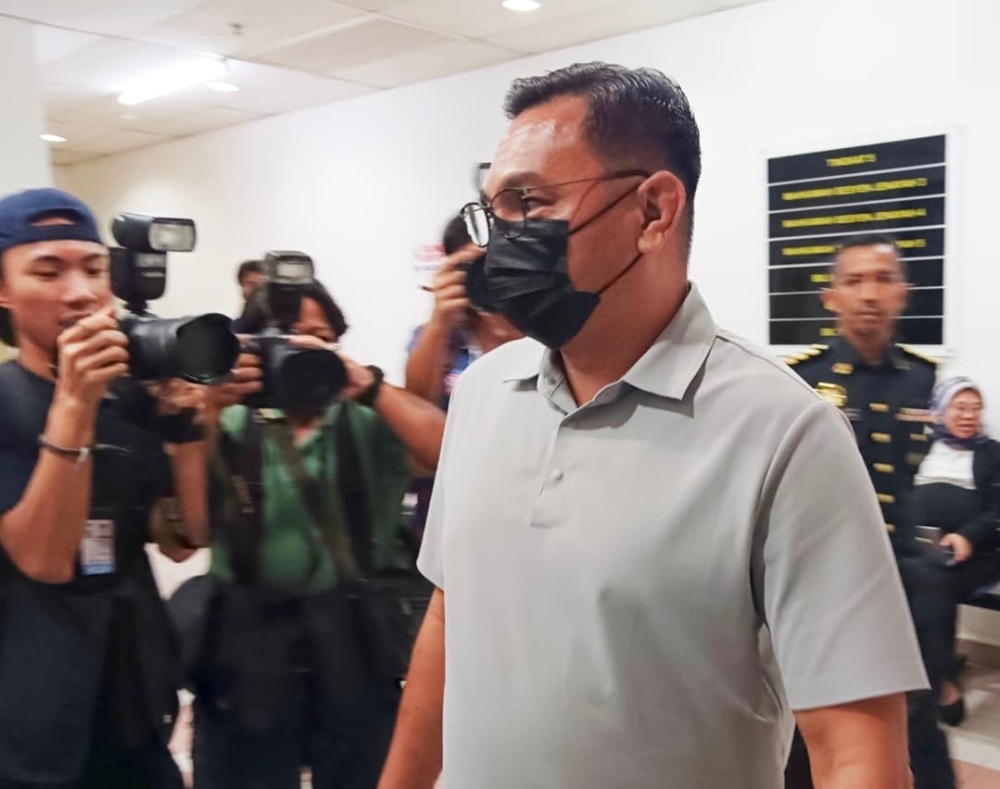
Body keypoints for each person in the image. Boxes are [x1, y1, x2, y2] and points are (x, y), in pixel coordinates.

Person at [377, 63, 927, 789]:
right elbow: (451, 620)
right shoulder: (480, 395)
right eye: (493, 211)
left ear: (653, 211)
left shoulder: (784, 432)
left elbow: (854, 747)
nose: (496, 243)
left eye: (529, 201)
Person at [189, 278, 446, 789]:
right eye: (282, 338)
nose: (297, 352)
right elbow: (186, 530)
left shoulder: (361, 419)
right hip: (245, 646)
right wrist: (204, 410)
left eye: (318, 337)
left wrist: (367, 385)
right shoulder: (226, 420)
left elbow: (450, 453)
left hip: (351, 638)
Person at [0, 187, 212, 789]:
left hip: (133, 694)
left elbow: (182, 538)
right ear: (4, 291)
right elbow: (41, 559)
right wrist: (73, 403)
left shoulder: (126, 397)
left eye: (94, 268)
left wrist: (188, 429)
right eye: (48, 270)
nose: (82, 291)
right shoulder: (8, 401)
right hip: (29, 705)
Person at [785, 232, 954, 788]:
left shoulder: (923, 379)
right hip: (829, 576)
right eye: (854, 281)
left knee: (917, 715)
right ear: (831, 296)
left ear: (903, 293)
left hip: (905, 573)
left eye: (882, 279)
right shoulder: (803, 380)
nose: (869, 294)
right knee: (816, 719)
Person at [404, 216, 520, 539]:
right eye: (478, 265)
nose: (492, 276)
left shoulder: (542, 329)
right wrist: (439, 320)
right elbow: (416, 407)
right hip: (448, 521)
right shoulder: (438, 338)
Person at [910, 377, 1000, 726]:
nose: (968, 416)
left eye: (975, 409)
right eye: (960, 407)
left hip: (978, 553)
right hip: (919, 547)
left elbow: (997, 510)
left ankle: (943, 680)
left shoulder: (991, 453)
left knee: (934, 583)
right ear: (940, 410)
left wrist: (967, 536)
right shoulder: (920, 447)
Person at [232, 260, 264, 333]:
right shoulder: (232, 330)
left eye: (261, 286)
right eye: (251, 284)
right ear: (241, 285)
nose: (256, 291)